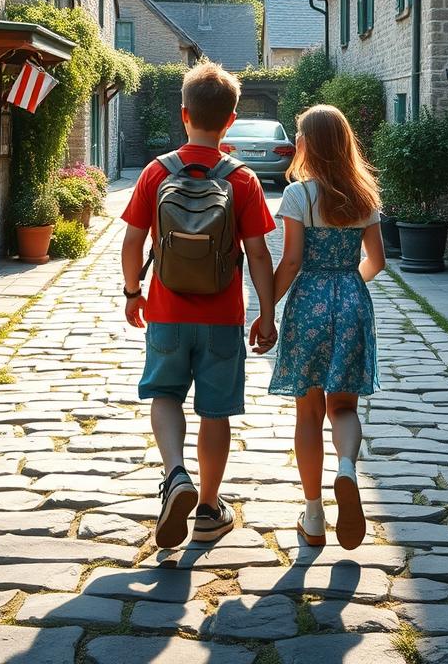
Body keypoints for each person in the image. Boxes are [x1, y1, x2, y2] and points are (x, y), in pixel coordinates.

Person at [122, 62, 276, 549]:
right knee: (216, 412)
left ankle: (174, 476)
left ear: (183, 113)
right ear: (230, 120)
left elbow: (131, 242)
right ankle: (209, 509)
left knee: (164, 395)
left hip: (166, 311)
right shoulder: (243, 180)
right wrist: (266, 313)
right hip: (221, 317)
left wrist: (133, 292)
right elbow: (258, 254)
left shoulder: (156, 171)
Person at [257, 104, 384, 550]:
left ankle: (313, 516)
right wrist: (348, 286)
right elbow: (378, 262)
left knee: (308, 412)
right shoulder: (365, 194)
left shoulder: (299, 196)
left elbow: (291, 260)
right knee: (343, 408)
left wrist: (267, 308)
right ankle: (347, 467)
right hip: (351, 300)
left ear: (308, 143)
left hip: (308, 302)